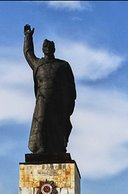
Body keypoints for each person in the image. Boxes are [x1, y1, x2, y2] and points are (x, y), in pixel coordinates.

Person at [24, 24, 76, 155]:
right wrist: (27, 37)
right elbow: (28, 53)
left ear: (54, 48)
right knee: (41, 122)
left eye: (49, 46)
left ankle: (59, 148)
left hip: (58, 100)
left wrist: (70, 102)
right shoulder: (38, 64)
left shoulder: (62, 65)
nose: (47, 48)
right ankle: (40, 148)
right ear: (42, 49)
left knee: (57, 125)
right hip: (43, 98)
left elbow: (70, 86)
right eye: (45, 46)